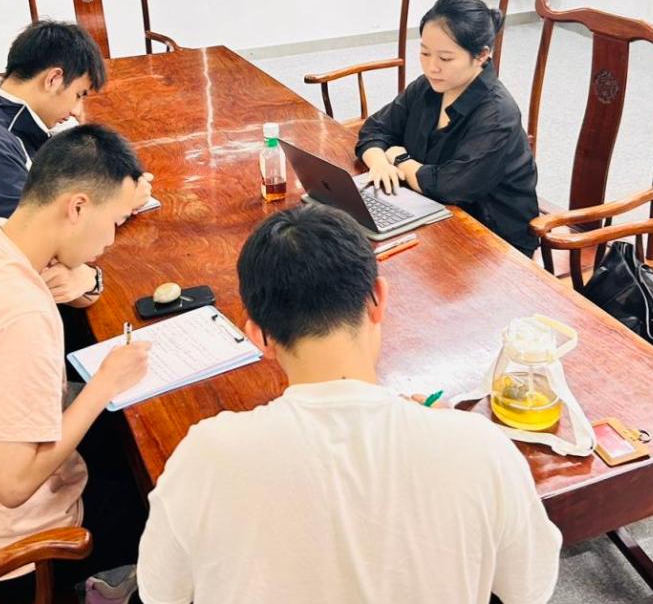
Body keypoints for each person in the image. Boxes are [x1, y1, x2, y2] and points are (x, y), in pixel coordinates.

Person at [137, 205, 562, 603]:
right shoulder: (480, 449)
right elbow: (529, 586)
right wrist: (450, 430)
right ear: (378, 298)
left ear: (258, 336)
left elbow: (160, 592)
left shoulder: (205, 457)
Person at [0, 125, 152, 595]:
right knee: (161, 500)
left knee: (112, 435)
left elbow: (74, 283)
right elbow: (13, 486)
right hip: (5, 551)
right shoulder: (23, 315)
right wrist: (105, 382)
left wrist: (85, 277)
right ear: (77, 207)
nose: (111, 239)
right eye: (115, 221)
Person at [0, 19, 153, 353]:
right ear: (53, 79)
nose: (77, 111)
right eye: (78, 95)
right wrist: (118, 203)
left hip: (6, 284)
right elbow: (45, 249)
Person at [355, 0, 539, 256]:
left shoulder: (497, 115)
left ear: (481, 55)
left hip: (490, 238)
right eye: (425, 53)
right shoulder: (427, 87)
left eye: (445, 58)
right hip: (429, 211)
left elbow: (449, 187)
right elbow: (375, 130)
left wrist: (399, 158)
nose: (432, 67)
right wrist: (379, 163)